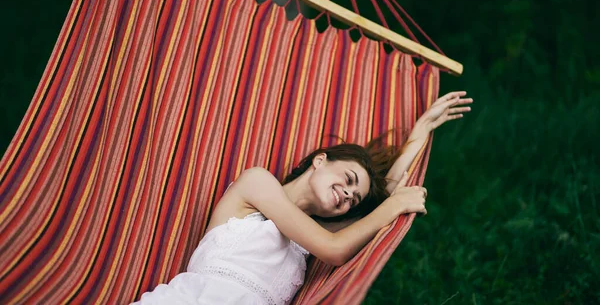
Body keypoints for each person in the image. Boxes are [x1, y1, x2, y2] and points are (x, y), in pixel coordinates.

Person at [131, 91, 473, 305]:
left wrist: (420, 133)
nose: (349, 195)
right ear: (320, 159)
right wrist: (396, 205)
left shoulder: (309, 238)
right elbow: (337, 249)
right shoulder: (258, 184)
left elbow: (383, 204)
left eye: (354, 199)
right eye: (350, 179)